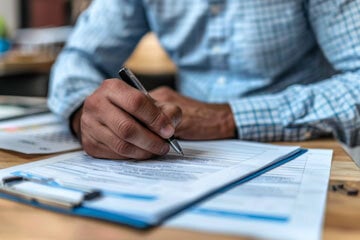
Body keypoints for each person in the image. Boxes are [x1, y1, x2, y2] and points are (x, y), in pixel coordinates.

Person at [49, 0, 360, 160]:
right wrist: (83, 114)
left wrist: (227, 118)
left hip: (305, 151)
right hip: (184, 156)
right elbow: (79, 59)